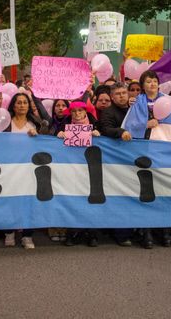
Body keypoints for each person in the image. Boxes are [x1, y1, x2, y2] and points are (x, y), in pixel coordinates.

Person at [121, 70, 171, 248]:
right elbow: (129, 126)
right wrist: (145, 125)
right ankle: (147, 233)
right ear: (142, 85)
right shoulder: (137, 103)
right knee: (146, 192)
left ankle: (164, 231)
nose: (152, 84)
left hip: (164, 153)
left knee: (163, 192)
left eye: (154, 81)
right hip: (144, 153)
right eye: (148, 81)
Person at [2, 92, 43, 249]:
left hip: (29, 170)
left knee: (28, 202)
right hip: (10, 168)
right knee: (10, 201)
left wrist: (38, 135)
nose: (21, 105)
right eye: (18, 102)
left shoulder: (35, 124)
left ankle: (27, 235)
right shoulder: (6, 122)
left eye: (25, 102)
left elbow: (45, 142)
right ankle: (9, 232)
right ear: (13, 105)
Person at [57, 101, 101, 247]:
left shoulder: (94, 123)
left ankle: (92, 234)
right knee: (73, 200)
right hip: (72, 169)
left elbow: (106, 136)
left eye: (80, 111)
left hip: (90, 169)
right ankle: (73, 233)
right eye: (74, 111)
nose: (77, 114)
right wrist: (59, 134)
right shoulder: (65, 124)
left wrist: (97, 135)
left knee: (91, 202)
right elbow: (53, 135)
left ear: (85, 112)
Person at [98, 82, 134, 246]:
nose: (121, 96)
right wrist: (121, 132)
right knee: (120, 197)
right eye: (118, 94)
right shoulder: (108, 112)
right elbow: (105, 129)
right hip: (116, 162)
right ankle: (121, 234)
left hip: (135, 159)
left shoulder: (134, 109)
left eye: (123, 93)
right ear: (112, 97)